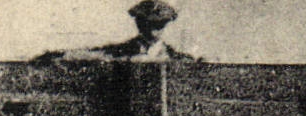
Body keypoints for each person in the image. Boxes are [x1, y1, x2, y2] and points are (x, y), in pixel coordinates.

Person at [35, 1, 197, 62]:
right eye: (149, 25)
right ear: (140, 24)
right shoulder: (120, 51)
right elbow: (92, 54)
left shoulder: (177, 59)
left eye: (160, 25)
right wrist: (61, 55)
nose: (155, 31)